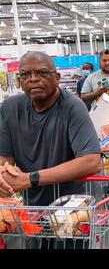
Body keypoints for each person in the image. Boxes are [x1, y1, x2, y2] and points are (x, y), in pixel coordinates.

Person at [0, 52, 101, 206]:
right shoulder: (10, 108)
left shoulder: (72, 107)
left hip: (73, 208)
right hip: (32, 208)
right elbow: (5, 159)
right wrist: (3, 174)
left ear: (57, 78)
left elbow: (92, 161)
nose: (33, 78)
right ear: (19, 80)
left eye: (42, 73)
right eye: (25, 74)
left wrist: (30, 179)